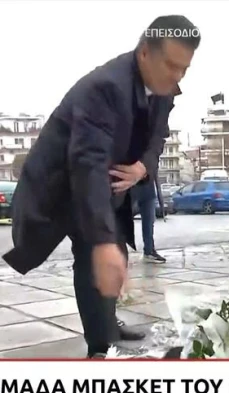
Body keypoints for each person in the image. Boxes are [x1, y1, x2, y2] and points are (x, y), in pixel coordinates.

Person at [2, 15, 200, 358]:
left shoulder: (164, 87)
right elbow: (87, 163)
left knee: (114, 249)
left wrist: (142, 167)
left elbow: (157, 136)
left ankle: (107, 323)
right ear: (144, 52)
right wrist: (103, 242)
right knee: (95, 254)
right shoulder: (105, 88)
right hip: (64, 184)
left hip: (109, 182)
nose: (178, 76)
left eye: (185, 68)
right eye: (171, 65)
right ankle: (100, 347)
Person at [137, 175, 166, 263]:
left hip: (148, 191)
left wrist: (161, 201)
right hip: (130, 188)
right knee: (121, 221)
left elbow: (155, 176)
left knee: (149, 222)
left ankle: (149, 250)